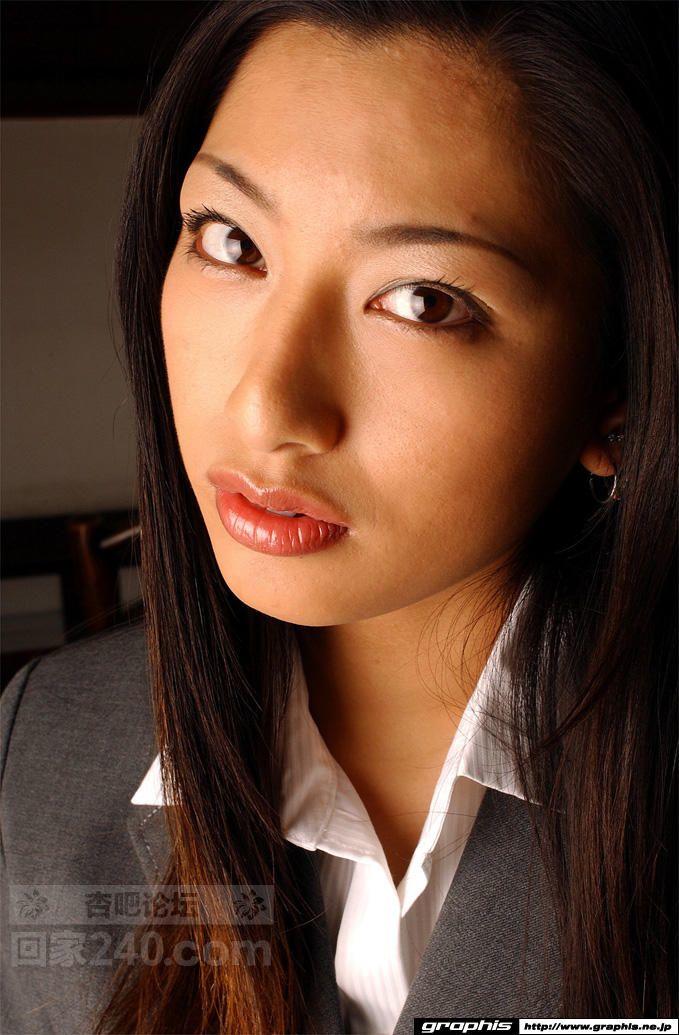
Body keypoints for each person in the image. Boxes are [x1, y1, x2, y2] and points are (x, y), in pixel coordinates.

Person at [1, 2, 676, 1032]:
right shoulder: (46, 750)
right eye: (231, 242)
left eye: (423, 301)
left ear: (616, 385)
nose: (268, 407)